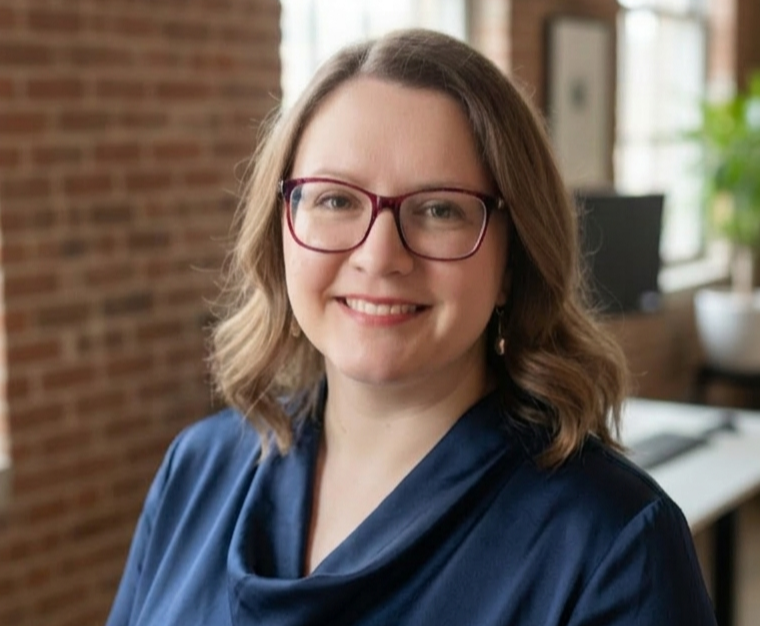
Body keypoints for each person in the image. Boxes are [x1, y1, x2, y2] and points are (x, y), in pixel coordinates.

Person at [107, 29, 716, 625]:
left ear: (514, 259)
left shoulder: (614, 548)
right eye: (335, 200)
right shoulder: (197, 468)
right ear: (282, 229)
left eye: (439, 209)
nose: (379, 256)